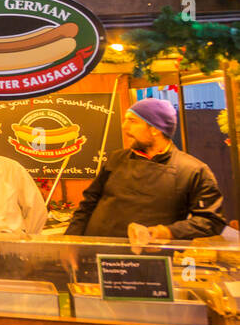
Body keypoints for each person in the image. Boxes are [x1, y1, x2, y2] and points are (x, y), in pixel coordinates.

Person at [66, 98, 225, 241]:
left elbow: (211, 221)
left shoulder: (193, 170)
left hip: (148, 261)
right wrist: (70, 242)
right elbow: (88, 204)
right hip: (97, 253)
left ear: (155, 129)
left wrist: (168, 232)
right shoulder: (116, 159)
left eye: (133, 121)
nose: (124, 127)